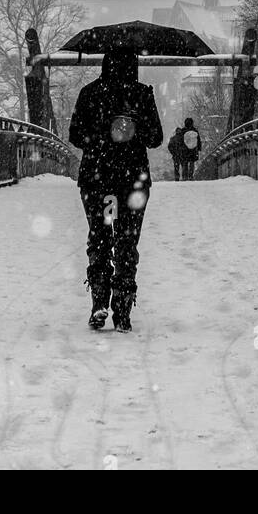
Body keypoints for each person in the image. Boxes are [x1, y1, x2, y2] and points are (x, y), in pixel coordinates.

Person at [67, 46, 163, 332]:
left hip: (98, 180)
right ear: (133, 64)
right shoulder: (142, 94)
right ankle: (122, 311)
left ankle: (99, 303)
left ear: (105, 63)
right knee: (126, 241)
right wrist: (133, 129)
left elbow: (75, 134)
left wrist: (100, 134)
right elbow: (156, 138)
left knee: (100, 236)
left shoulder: (90, 92)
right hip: (131, 181)